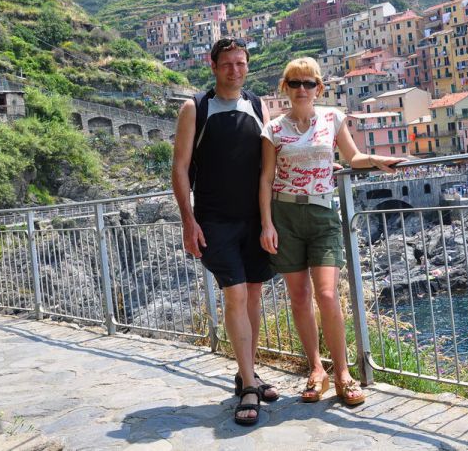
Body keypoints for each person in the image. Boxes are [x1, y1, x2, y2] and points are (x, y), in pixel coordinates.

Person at [259, 57, 403, 406]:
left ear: (319, 88)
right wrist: (266, 224)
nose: (303, 89)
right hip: (285, 215)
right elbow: (265, 178)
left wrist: (378, 161)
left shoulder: (333, 118)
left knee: (326, 295)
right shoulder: (273, 130)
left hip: (324, 213)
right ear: (286, 88)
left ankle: (342, 372)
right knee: (297, 297)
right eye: (296, 83)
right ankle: (315, 369)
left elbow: (352, 158)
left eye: (310, 83)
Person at [172, 37, 277, 426]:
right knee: (235, 297)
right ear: (213, 66)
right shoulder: (195, 108)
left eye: (241, 63)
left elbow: (270, 165)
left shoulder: (258, 104)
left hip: (254, 220)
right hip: (215, 221)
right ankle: (249, 387)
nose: (235, 70)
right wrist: (188, 220)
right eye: (228, 64)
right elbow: (180, 169)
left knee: (253, 297)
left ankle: (245, 372)